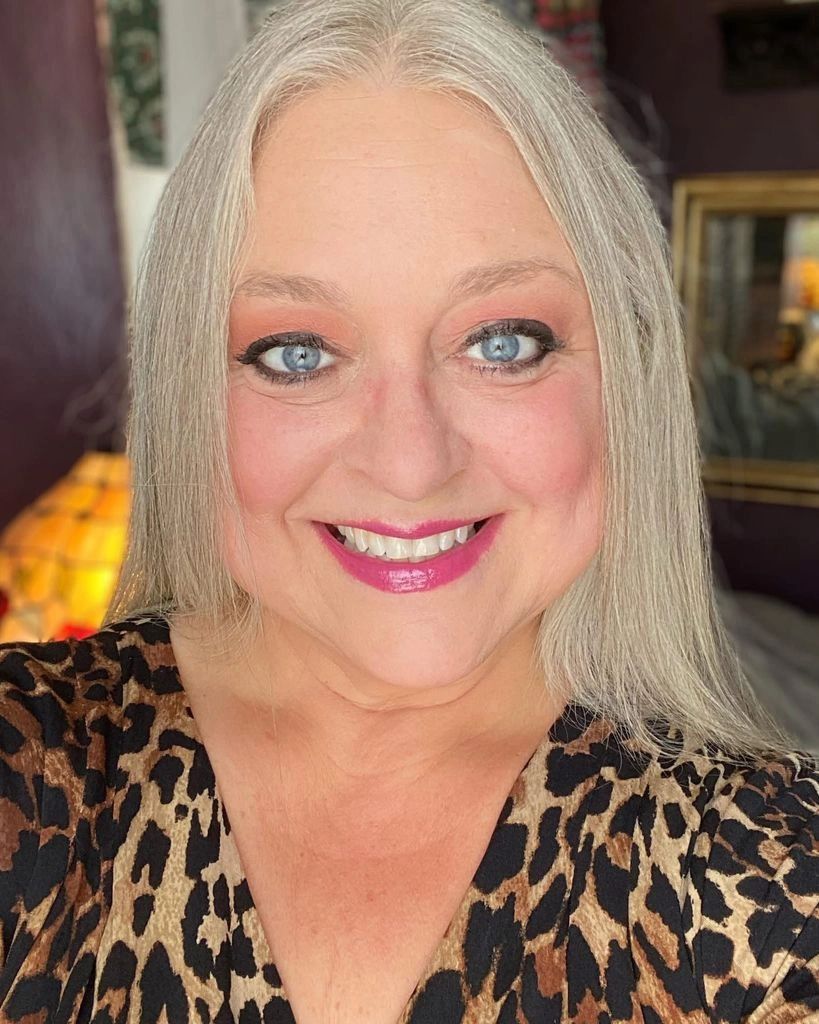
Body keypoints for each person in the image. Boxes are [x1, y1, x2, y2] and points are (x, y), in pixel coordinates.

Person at [1, 0, 817, 1021]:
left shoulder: (779, 879)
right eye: (296, 352)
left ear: (626, 374)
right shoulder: (28, 775)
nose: (410, 463)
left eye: (503, 342)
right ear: (186, 392)